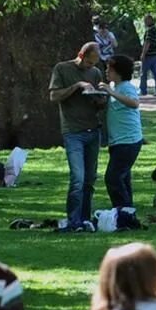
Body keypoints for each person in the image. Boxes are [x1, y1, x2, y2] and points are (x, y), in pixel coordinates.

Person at [48, 42, 107, 231]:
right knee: (78, 178)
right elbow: (54, 96)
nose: (92, 67)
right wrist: (77, 86)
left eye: (94, 63)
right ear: (81, 55)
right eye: (89, 63)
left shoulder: (96, 73)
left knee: (90, 178)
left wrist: (99, 99)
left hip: (92, 129)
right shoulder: (62, 69)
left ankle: (85, 218)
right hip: (73, 131)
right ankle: (73, 220)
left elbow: (100, 102)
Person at [103, 55, 144, 212]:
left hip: (128, 141)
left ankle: (123, 212)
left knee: (112, 178)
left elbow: (134, 103)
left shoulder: (126, 87)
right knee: (123, 178)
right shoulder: (117, 88)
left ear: (118, 72)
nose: (107, 71)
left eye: (109, 69)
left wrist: (110, 92)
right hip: (118, 142)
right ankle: (127, 212)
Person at [139, 13, 156, 97]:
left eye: (146, 20)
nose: (144, 22)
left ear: (150, 20)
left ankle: (143, 91)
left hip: (149, 55)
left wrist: (143, 54)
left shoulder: (149, 31)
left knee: (143, 73)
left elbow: (147, 42)